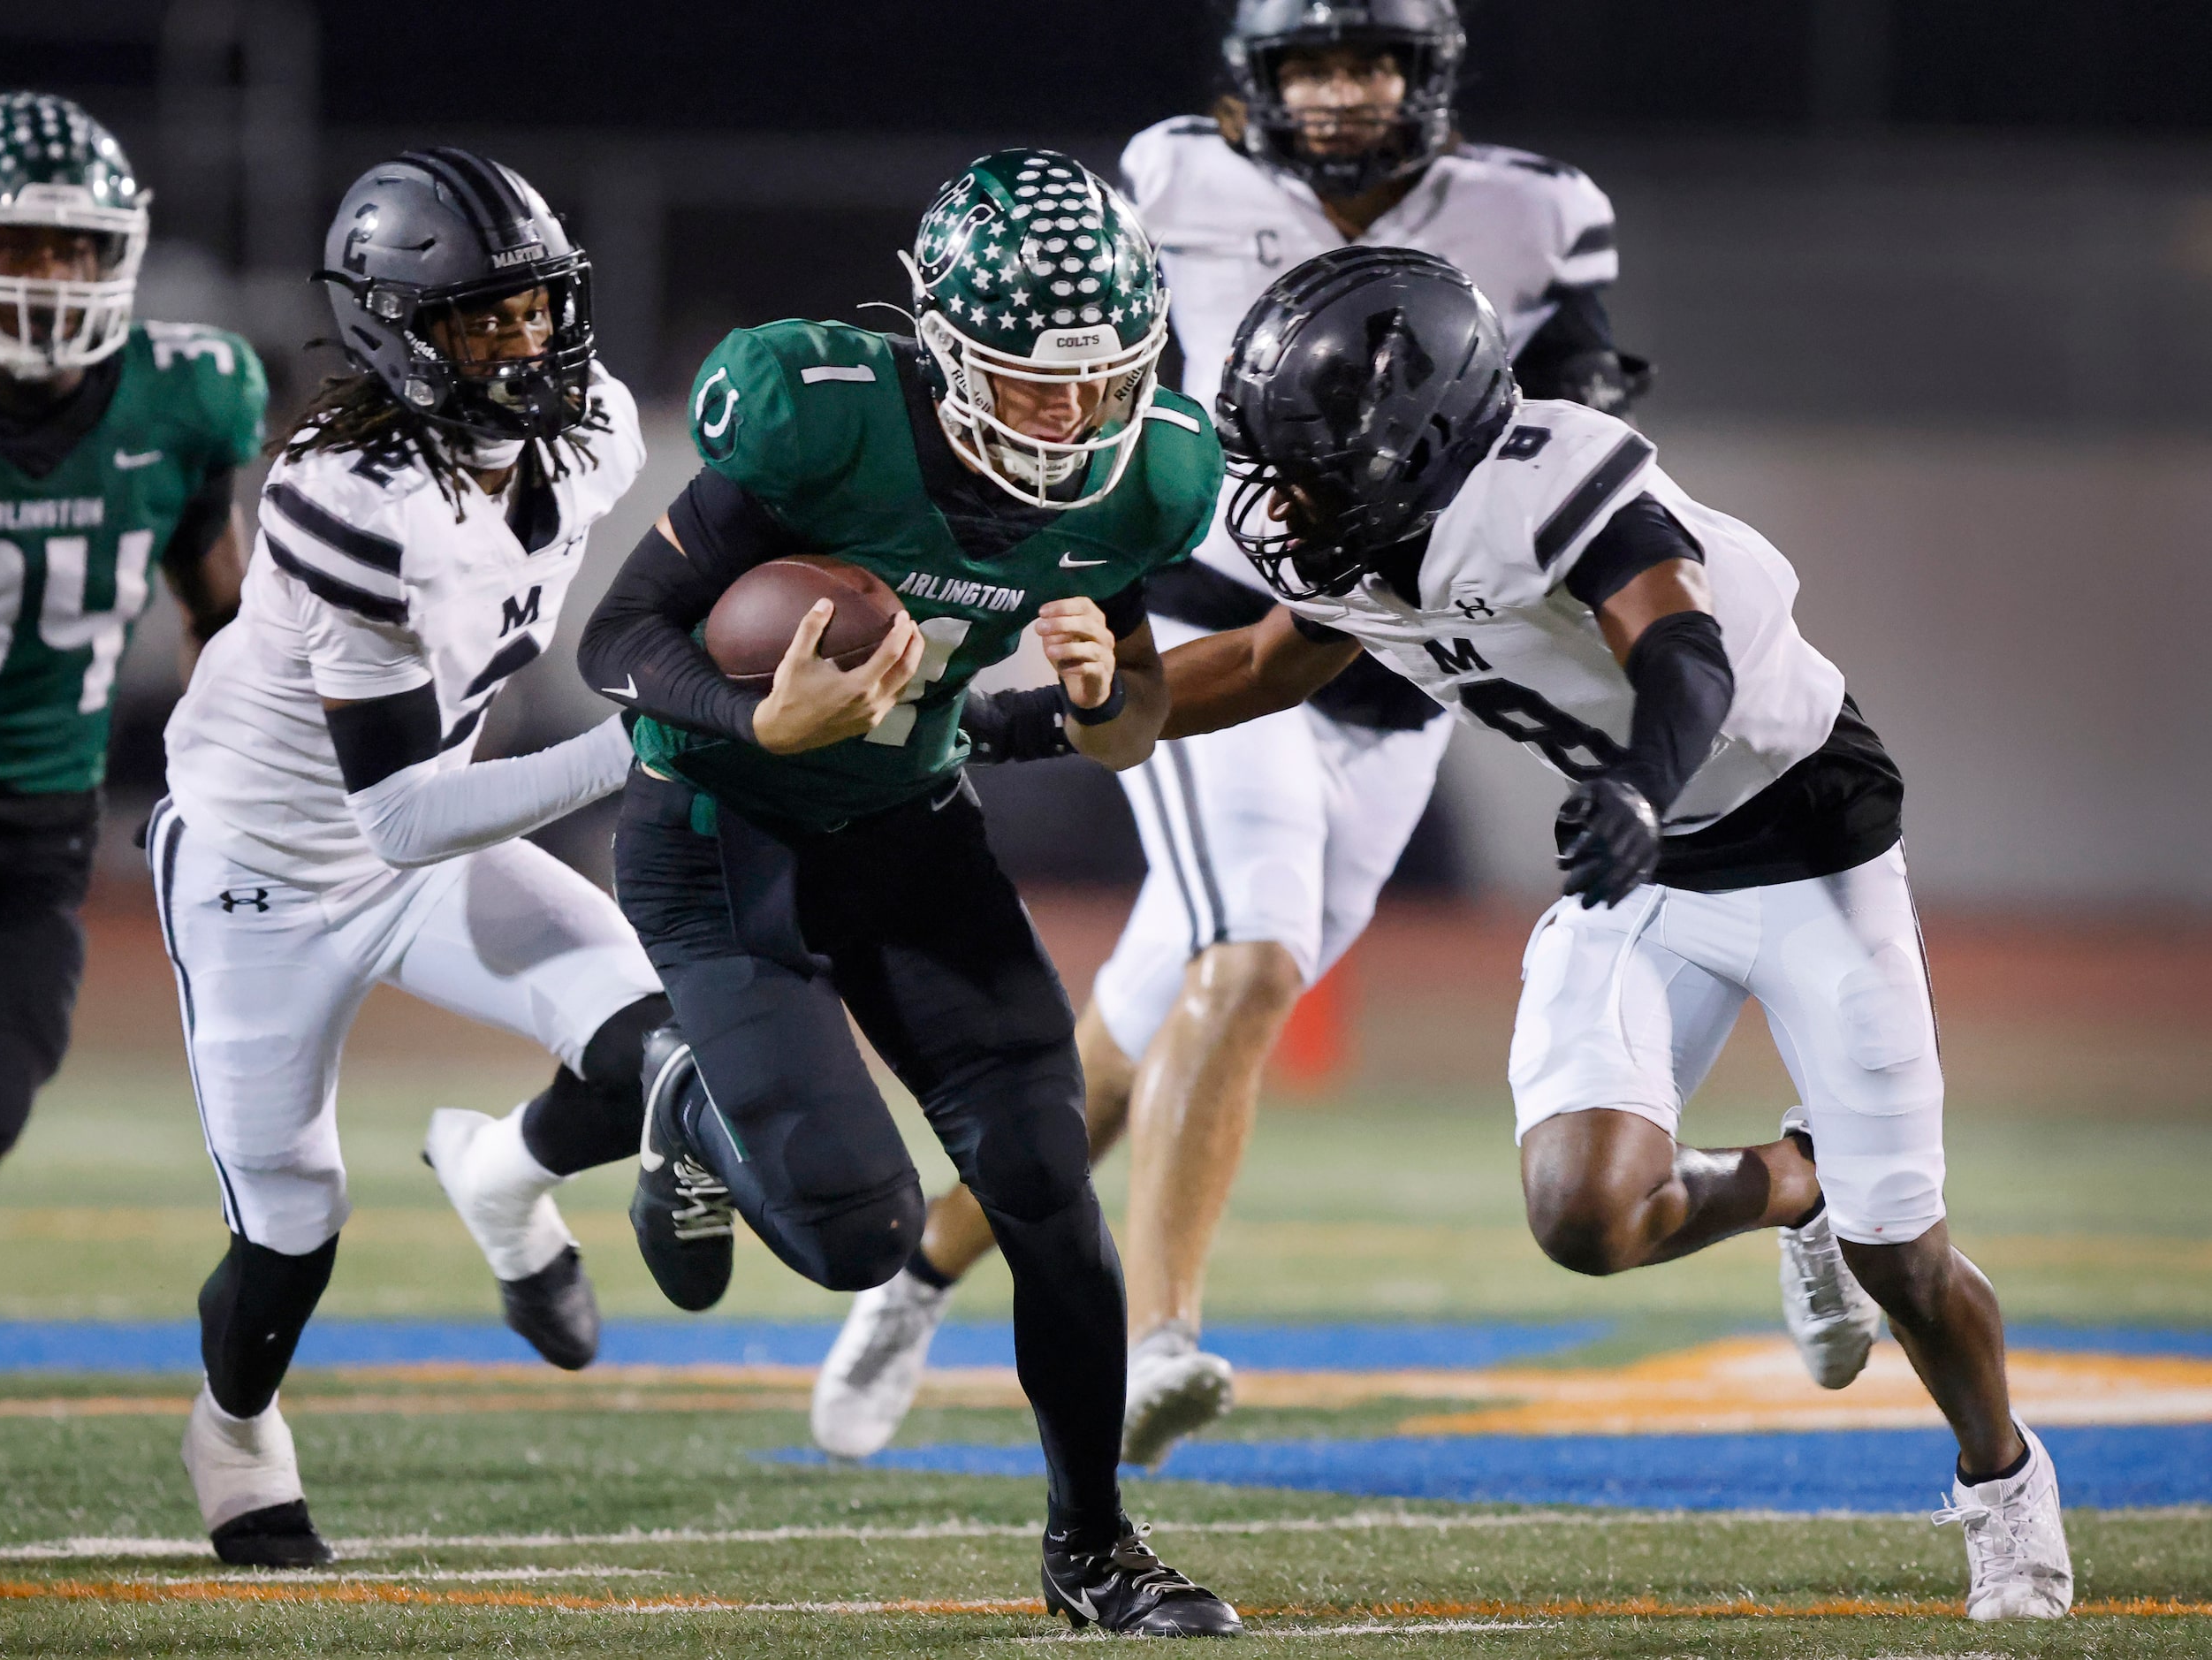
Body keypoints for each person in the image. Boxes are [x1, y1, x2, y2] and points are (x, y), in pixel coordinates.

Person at [1153, 246, 2071, 1623]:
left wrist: (1636, 783)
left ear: (1417, 440)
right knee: (1582, 1211)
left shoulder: (1551, 476)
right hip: (1643, 861)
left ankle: (2003, 1479)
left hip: (1804, 839)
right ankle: (1791, 1181)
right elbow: (1252, 665)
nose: (1277, 499)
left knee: (1911, 1265)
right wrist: (1022, 719)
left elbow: (1683, 654)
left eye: (1308, 464)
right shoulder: (1363, 545)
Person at [814, 0, 1653, 1469]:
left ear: (1429, 73)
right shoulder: (1174, 179)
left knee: (1146, 1033)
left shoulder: (1543, 211)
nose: (1340, 93)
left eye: (1372, 61)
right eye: (1314, 63)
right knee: (1250, 954)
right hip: (1200, 615)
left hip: (1396, 658)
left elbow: (1570, 430)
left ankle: (921, 1272)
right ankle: (1160, 1343)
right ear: (1255, 81)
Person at [575, 150, 1239, 1637]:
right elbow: (616, 640)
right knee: (861, 1238)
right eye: (1028, 379)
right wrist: (758, 719)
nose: (1068, 418)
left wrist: (1107, 689)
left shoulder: (1155, 472)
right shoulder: (817, 415)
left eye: (1100, 381)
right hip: (715, 822)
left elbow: (1126, 723)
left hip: (910, 826)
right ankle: (683, 1090)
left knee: (1048, 1187)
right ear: (940, 343)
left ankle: (1093, 1546)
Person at [152, 148, 662, 1567]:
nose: (526, 344)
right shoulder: (345, 499)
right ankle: (234, 1424)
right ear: (397, 327)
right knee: (293, 1227)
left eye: (537, 309)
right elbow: (399, 815)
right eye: (483, 318)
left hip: (431, 828)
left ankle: (503, 1172)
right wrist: (668, 732)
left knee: (651, 1048)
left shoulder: (595, 426)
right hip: (268, 865)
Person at [0, 93, 259, 1211]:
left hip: (27, 839)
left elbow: (221, 615)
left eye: (73, 248)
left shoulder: (187, 392)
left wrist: (247, 795)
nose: (44, 277)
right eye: (10, 243)